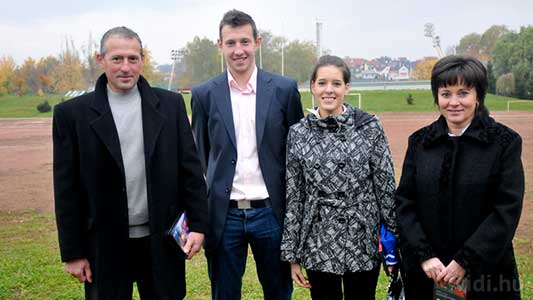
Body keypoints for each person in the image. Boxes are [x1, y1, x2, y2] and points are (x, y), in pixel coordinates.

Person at [53, 26, 208, 300]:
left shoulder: (170, 105)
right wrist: (73, 253)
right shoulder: (71, 115)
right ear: (100, 60)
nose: (126, 67)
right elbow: (66, 191)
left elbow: (191, 172)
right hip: (104, 245)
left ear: (142, 60)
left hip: (161, 242)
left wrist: (197, 226)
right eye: (117, 59)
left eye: (133, 59)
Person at [190, 9, 303, 300]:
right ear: (220, 45)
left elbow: (296, 154)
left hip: (271, 213)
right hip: (224, 215)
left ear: (257, 42)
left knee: (279, 293)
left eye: (244, 42)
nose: (238, 50)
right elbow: (200, 155)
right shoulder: (204, 94)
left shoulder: (284, 90)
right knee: (224, 294)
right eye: (230, 43)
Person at [395, 55, 524, 300]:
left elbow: (506, 210)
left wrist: (466, 260)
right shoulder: (420, 142)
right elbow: (405, 203)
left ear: (478, 96)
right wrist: (425, 256)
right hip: (428, 272)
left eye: (463, 93)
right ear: (437, 97)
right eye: (446, 94)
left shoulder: (504, 142)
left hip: (486, 274)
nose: (454, 102)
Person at [280, 55, 397, 300]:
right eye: (322, 83)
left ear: (347, 88)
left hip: (361, 236)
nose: (328, 90)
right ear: (312, 87)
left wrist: (395, 244)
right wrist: (292, 255)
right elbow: (295, 195)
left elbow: (385, 185)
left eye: (336, 83)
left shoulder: (369, 126)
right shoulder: (298, 133)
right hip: (318, 238)